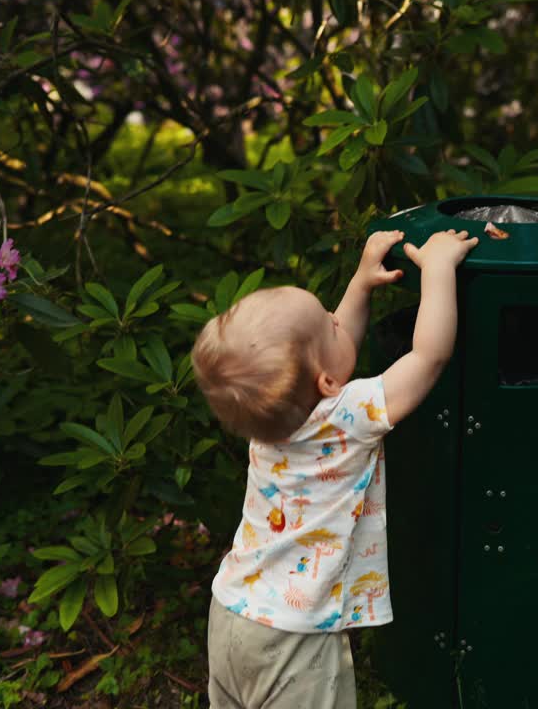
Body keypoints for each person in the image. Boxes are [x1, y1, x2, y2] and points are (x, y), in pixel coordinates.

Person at [191, 227, 480, 708]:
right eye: (329, 322)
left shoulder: (268, 427)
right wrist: (437, 272)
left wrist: (362, 283)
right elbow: (430, 355)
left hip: (231, 613)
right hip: (294, 639)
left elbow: (331, 352)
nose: (335, 318)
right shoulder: (349, 418)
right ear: (325, 380)